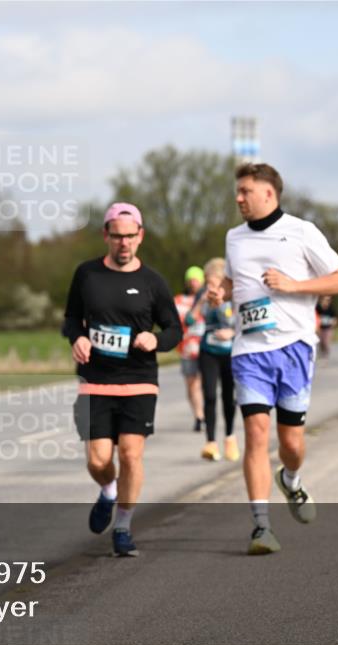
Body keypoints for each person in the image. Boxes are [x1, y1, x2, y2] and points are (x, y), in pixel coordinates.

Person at [211, 163, 338, 555]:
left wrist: (294, 285)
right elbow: (236, 280)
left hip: (294, 348)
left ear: (268, 194)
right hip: (249, 350)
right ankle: (260, 527)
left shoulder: (302, 231)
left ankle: (291, 479)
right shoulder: (234, 238)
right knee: (255, 434)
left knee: (291, 442)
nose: (238, 198)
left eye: (245, 191)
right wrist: (219, 290)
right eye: (237, 191)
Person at [63, 202, 182, 557]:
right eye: (117, 237)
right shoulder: (86, 275)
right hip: (96, 381)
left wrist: (156, 340)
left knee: (131, 454)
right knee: (98, 461)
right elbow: (71, 317)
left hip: (139, 380)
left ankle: (124, 526)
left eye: (131, 236)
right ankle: (109, 491)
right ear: (106, 236)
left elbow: (175, 328)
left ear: (140, 236)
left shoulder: (152, 281)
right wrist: (78, 338)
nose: (124, 243)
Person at [186, 258, 238, 462]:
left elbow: (244, 323)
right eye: (207, 282)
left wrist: (232, 333)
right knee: (209, 395)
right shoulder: (203, 295)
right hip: (208, 350)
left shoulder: (234, 295)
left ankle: (230, 439)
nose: (210, 286)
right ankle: (210, 443)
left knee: (228, 397)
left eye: (214, 282)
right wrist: (201, 301)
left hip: (230, 351)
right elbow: (189, 321)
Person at [174, 267, 206, 431]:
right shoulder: (178, 301)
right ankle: (198, 416)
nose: (193, 283)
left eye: (197, 279)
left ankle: (204, 412)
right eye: (191, 279)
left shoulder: (208, 299)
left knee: (204, 383)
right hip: (187, 349)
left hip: (206, 348)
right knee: (192, 384)